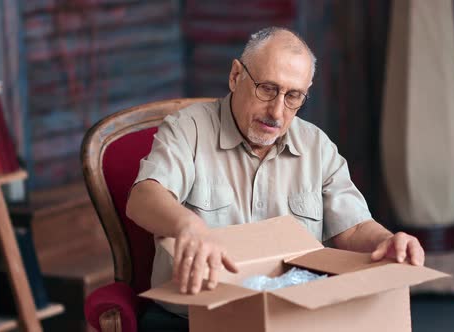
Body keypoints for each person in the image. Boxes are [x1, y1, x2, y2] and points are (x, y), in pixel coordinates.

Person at [127, 27, 425, 316]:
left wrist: (386, 242)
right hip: (196, 318)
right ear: (235, 76)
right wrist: (187, 226)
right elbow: (143, 196)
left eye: (293, 96)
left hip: (289, 317)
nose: (277, 112)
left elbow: (356, 228)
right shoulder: (187, 129)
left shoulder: (316, 147)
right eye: (267, 89)